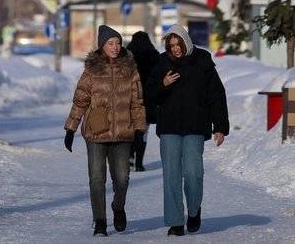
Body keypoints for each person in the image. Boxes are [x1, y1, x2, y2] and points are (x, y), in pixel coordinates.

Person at [145, 24, 229, 237]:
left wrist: (220, 127)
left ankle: (194, 210)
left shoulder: (202, 61)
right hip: (169, 128)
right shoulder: (162, 63)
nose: (175, 49)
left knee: (193, 173)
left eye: (178, 44)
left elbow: (216, 95)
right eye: (171, 45)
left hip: (195, 126)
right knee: (171, 175)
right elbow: (150, 95)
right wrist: (163, 84)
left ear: (185, 42)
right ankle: (175, 222)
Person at [64, 25, 147, 237]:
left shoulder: (130, 70)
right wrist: (71, 128)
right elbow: (80, 99)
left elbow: (137, 103)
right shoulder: (92, 70)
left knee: (122, 178)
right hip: (96, 132)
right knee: (96, 178)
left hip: (123, 132)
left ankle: (118, 207)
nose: (115, 47)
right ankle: (99, 220)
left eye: (118, 43)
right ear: (102, 46)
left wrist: (139, 130)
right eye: (110, 43)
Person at [126, 30, 159, 171]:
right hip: (148, 101)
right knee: (143, 131)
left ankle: (130, 159)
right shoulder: (155, 56)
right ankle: (139, 163)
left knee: (131, 131)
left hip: (130, 99)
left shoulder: (127, 56)